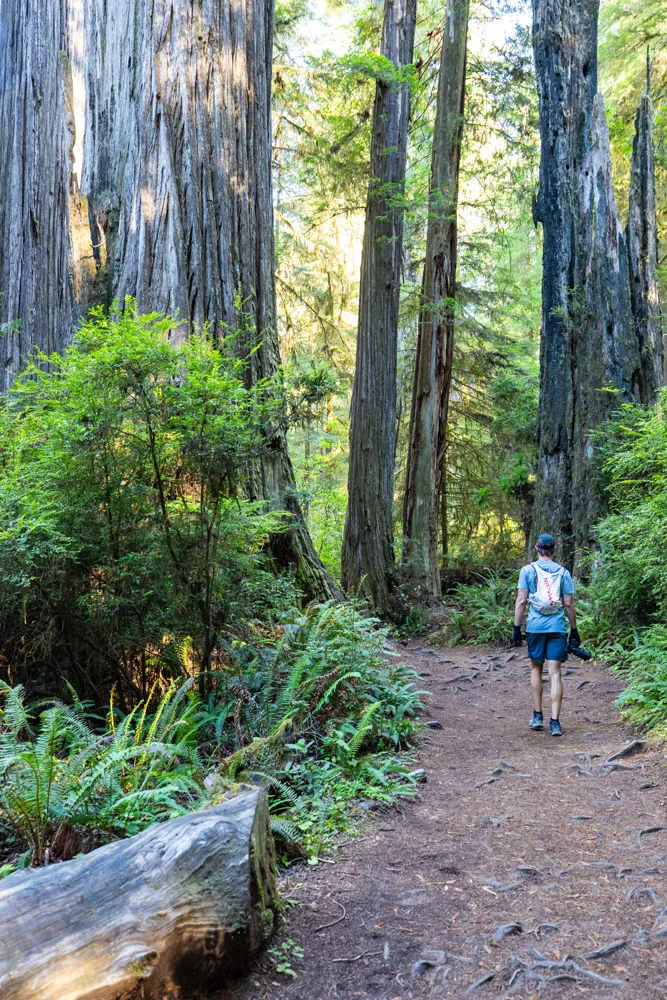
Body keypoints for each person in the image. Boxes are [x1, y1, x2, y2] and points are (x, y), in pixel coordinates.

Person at [512, 533, 580, 737]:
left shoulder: (527, 570)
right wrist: (574, 629)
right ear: (553, 550)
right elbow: (568, 604)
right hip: (557, 627)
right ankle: (555, 722)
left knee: (536, 668)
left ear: (537, 548)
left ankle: (537, 716)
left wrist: (517, 627)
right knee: (555, 673)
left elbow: (521, 601)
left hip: (535, 627)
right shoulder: (563, 572)